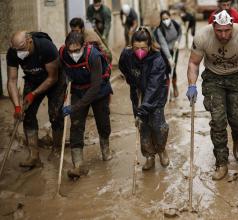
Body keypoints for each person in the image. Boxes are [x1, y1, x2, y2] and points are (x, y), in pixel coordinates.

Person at [186, 10, 238, 180]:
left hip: (236, 76)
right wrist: (192, 85)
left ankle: (237, 138)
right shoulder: (202, 37)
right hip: (213, 77)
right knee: (218, 121)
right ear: (213, 26)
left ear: (232, 26)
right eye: (219, 31)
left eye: (227, 30)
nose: (223, 35)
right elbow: (193, 63)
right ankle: (221, 163)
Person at [7, 31, 65, 166]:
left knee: (56, 114)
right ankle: (34, 156)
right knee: (27, 114)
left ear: (29, 41)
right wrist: (17, 106)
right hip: (33, 80)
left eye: (21, 49)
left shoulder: (46, 47)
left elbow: (52, 78)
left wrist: (33, 94)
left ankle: (56, 149)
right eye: (16, 50)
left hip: (54, 80)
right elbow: (11, 81)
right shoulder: (13, 52)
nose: (19, 52)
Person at [59, 32, 113, 178]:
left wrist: (75, 107)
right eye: (71, 51)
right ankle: (78, 164)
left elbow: (95, 87)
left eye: (77, 51)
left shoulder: (94, 56)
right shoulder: (63, 53)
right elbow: (63, 72)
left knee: (103, 123)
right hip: (78, 89)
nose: (73, 54)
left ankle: (105, 150)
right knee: (76, 124)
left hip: (98, 91)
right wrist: (64, 96)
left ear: (83, 46)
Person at [119, 28, 170, 170]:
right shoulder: (127, 54)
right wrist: (132, 82)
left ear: (149, 46)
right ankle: (149, 156)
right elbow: (123, 68)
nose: (139, 51)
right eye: (136, 48)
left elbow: (153, 87)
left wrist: (142, 111)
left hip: (156, 95)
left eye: (143, 48)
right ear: (131, 46)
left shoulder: (157, 59)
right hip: (138, 93)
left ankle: (161, 150)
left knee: (158, 126)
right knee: (143, 127)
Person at [155, 10, 182, 98]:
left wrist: (178, 42)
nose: (165, 20)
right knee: (166, 70)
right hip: (165, 51)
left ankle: (174, 86)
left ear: (170, 17)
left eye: (167, 18)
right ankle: (167, 89)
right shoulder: (159, 30)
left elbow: (180, 33)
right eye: (163, 19)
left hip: (175, 49)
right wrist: (169, 58)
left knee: (173, 69)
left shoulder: (175, 24)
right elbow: (163, 45)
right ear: (161, 20)